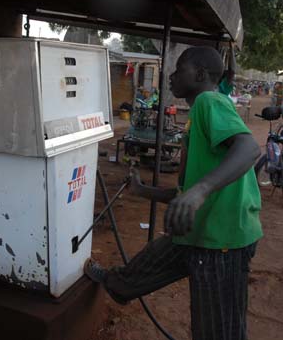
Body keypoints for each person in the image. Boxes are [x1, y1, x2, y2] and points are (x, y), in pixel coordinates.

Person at [84, 47, 262, 340]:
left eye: (180, 69)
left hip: (222, 240)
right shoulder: (197, 115)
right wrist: (144, 191)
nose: (171, 76)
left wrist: (201, 192)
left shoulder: (209, 101)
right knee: (154, 258)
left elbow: (249, 148)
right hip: (198, 230)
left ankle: (121, 286)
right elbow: (185, 193)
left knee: (216, 331)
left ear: (201, 75)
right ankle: (119, 287)